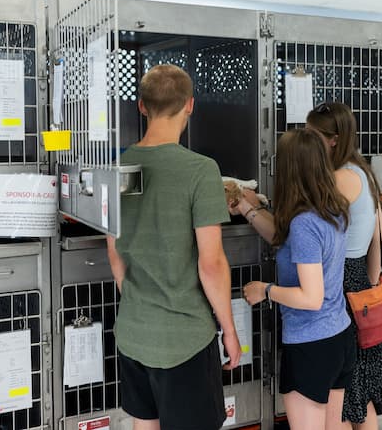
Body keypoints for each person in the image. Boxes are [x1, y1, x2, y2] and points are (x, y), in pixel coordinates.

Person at [106, 64, 241, 430]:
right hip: (185, 339)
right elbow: (210, 263)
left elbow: (115, 251)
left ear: (141, 106)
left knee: (144, 422)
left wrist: (140, 302)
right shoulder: (200, 170)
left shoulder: (120, 168)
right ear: (190, 105)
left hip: (134, 331)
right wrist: (229, 330)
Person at [238, 128, 355, 430]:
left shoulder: (304, 223)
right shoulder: (333, 208)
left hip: (310, 343)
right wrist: (247, 208)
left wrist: (265, 290)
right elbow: (284, 238)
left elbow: (310, 297)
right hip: (339, 336)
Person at [306, 101, 382, 430]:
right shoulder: (364, 172)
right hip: (357, 279)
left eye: (312, 134)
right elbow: (378, 235)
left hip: (339, 278)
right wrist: (370, 284)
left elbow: (307, 223)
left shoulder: (339, 178)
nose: (306, 139)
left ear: (332, 139)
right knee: (360, 394)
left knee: (339, 396)